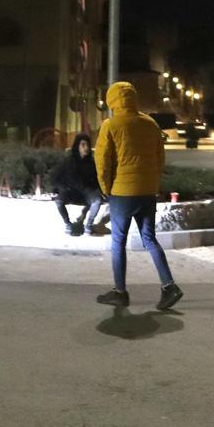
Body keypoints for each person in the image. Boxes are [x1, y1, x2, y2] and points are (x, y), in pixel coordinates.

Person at [94, 81, 183, 311]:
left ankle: (120, 292)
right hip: (147, 191)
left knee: (118, 242)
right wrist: (153, 182)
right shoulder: (150, 123)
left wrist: (106, 188)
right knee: (149, 239)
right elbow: (159, 157)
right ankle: (169, 285)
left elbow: (102, 161)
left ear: (113, 101)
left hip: (122, 193)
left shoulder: (110, 125)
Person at [52, 133, 104, 236]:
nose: (86, 148)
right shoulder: (68, 162)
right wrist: (61, 189)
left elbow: (98, 180)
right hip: (72, 193)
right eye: (83, 145)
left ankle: (88, 226)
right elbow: (57, 178)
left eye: (88, 145)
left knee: (97, 201)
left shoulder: (92, 163)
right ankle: (68, 224)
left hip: (87, 193)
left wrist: (100, 191)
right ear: (77, 146)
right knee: (58, 201)